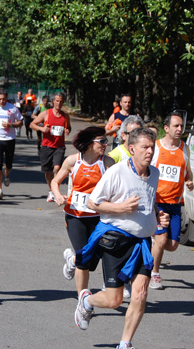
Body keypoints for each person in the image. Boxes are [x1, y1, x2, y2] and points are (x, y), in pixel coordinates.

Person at [74, 128, 170, 349]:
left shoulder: (154, 174)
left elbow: (149, 203)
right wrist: (120, 208)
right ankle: (87, 301)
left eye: (152, 147)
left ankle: (125, 343)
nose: (150, 151)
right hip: (116, 240)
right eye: (145, 147)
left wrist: (158, 216)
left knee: (140, 294)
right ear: (132, 149)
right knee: (114, 300)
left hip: (143, 243)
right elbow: (92, 202)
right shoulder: (116, 172)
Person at [50, 127, 116, 296]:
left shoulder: (107, 163)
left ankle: (72, 260)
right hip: (75, 216)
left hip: (98, 217)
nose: (105, 144)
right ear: (89, 143)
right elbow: (55, 181)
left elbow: (116, 188)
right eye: (101, 141)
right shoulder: (73, 161)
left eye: (105, 141)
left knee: (93, 260)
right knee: (84, 259)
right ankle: (83, 299)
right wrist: (58, 196)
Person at [149, 112, 194, 289]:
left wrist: (189, 181)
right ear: (166, 128)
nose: (179, 129)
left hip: (175, 203)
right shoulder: (156, 147)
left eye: (181, 126)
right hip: (158, 202)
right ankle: (154, 274)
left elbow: (188, 172)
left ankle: (152, 244)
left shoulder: (185, 148)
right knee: (161, 239)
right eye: (176, 126)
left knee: (173, 245)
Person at [30, 91, 72, 202]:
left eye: (61, 101)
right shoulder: (46, 114)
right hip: (47, 146)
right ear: (53, 101)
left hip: (59, 146)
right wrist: (42, 129)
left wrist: (67, 130)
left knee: (57, 167)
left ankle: (55, 191)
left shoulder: (65, 116)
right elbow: (32, 124)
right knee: (48, 171)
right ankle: (51, 190)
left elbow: (69, 127)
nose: (59, 103)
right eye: (57, 101)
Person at [0, 88, 23, 200]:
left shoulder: (12, 108)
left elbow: (20, 122)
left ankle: (6, 174)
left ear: (7, 98)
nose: (1, 101)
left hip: (10, 139)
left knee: (9, 165)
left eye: (4, 99)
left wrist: (11, 125)